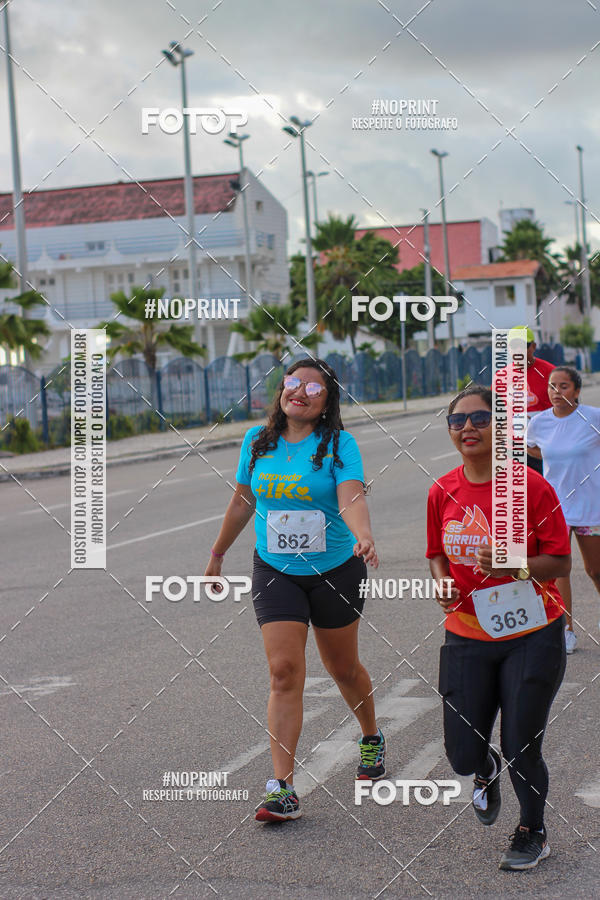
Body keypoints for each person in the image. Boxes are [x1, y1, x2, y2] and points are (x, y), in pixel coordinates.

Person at [205, 358, 383, 823]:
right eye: (292, 382)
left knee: (343, 668)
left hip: (335, 570)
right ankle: (282, 787)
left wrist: (362, 533)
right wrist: (218, 554)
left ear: (328, 402)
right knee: (283, 672)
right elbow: (244, 500)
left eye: (312, 387)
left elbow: (352, 496)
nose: (298, 391)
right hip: (275, 570)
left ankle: (370, 737)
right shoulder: (256, 441)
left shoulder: (339, 443)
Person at [427, 384, 571, 871]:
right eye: (458, 421)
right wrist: (443, 582)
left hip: (532, 631)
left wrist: (517, 566)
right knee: (462, 754)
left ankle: (533, 830)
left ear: (501, 426)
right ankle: (483, 769)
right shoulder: (442, 489)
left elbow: (560, 562)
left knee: (522, 745)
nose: (468, 427)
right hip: (466, 633)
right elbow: (436, 555)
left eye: (480, 418)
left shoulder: (530, 486)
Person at [527, 366, 600, 654]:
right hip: (554, 507)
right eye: (552, 386)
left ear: (577, 391)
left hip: (590, 505)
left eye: (564, 386)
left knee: (595, 570)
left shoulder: (593, 417)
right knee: (559, 571)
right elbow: (532, 448)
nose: (556, 392)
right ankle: (566, 629)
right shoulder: (540, 422)